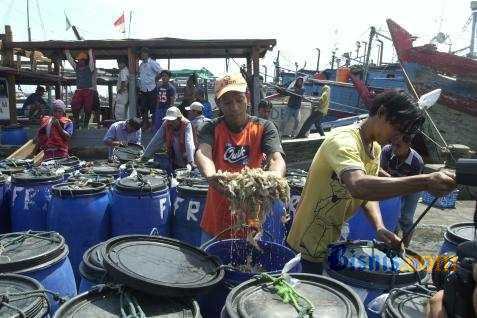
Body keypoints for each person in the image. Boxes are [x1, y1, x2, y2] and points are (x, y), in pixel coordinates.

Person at [286, 91, 456, 275]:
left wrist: (379, 226)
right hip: (305, 245)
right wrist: (426, 181)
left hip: (332, 241)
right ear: (381, 113)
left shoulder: (374, 148)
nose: (397, 138)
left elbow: (367, 196)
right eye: (396, 128)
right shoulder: (343, 140)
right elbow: (359, 186)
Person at [195, 73, 286, 242]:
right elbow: (203, 153)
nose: (235, 107)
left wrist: (273, 178)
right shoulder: (210, 127)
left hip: (251, 220)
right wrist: (212, 176)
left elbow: (276, 158)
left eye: (239, 99)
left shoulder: (264, 127)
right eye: (227, 102)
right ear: (218, 104)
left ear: (248, 98)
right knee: (209, 266)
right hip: (215, 222)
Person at [380, 134, 424, 247]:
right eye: (393, 144)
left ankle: (406, 248)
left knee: (406, 218)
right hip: (392, 185)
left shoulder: (416, 162)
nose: (394, 149)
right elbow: (379, 170)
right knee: (393, 216)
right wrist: (393, 181)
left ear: (408, 145)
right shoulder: (386, 151)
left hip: (412, 188)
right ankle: (392, 245)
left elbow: (410, 185)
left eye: (398, 146)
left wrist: (394, 183)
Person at [65, 49, 96, 129]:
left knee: (88, 109)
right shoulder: (76, 67)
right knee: (74, 105)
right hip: (79, 90)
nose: (78, 61)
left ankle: (85, 125)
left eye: (80, 60)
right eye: (78, 60)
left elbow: (92, 60)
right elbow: (70, 60)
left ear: (85, 61)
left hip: (88, 90)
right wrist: (67, 52)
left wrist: (90, 52)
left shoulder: (90, 67)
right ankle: (77, 122)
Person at [138, 47, 162, 130]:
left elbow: (161, 72)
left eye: (144, 53)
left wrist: (155, 80)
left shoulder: (152, 63)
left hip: (152, 88)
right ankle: (146, 124)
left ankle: (153, 125)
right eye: (141, 53)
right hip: (143, 90)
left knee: (153, 109)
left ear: (147, 54)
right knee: (143, 109)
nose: (142, 55)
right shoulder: (141, 65)